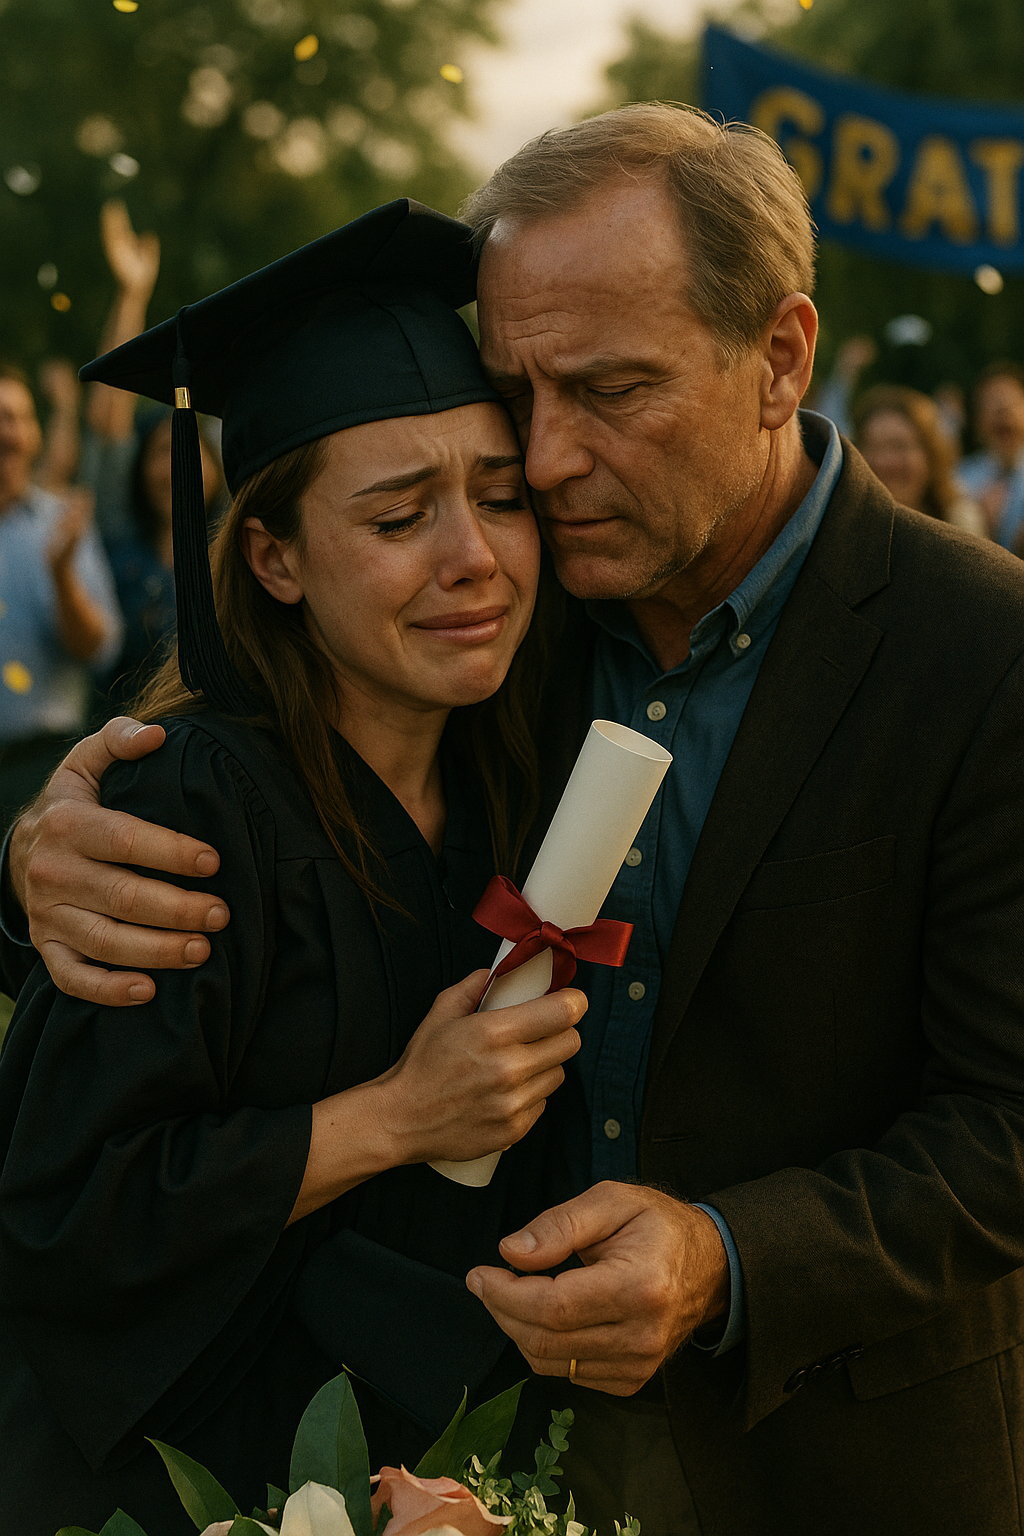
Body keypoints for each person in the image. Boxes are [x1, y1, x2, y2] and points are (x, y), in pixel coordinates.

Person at [8, 104, 1024, 1536]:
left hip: (827, 1453)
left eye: (609, 390)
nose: (541, 466)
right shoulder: (509, 637)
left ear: (781, 357)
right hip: (475, 1449)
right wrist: (39, 853)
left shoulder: (980, 652)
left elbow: (1006, 1121)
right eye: (517, 394)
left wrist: (724, 1257)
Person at [0, 201, 587, 1536]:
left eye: (501, 496)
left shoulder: (515, 771)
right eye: (398, 517)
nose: (473, 557)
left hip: (420, 1475)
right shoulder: (186, 807)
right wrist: (397, 1116)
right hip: (169, 1485)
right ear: (271, 557)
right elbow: (63, 1214)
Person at [0, 363, 122, 830]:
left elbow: (98, 650)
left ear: (35, 433)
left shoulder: (62, 523)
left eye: (15, 417)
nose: (5, 432)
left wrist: (62, 575)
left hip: (42, 769)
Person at [852, 383, 985, 534]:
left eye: (899, 446)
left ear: (931, 455)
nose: (884, 462)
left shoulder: (959, 521)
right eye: (871, 447)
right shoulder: (843, 524)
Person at [957, 360, 1024, 545]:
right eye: (991, 402)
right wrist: (977, 525)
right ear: (977, 422)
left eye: (1012, 401)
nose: (1003, 410)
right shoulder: (960, 480)